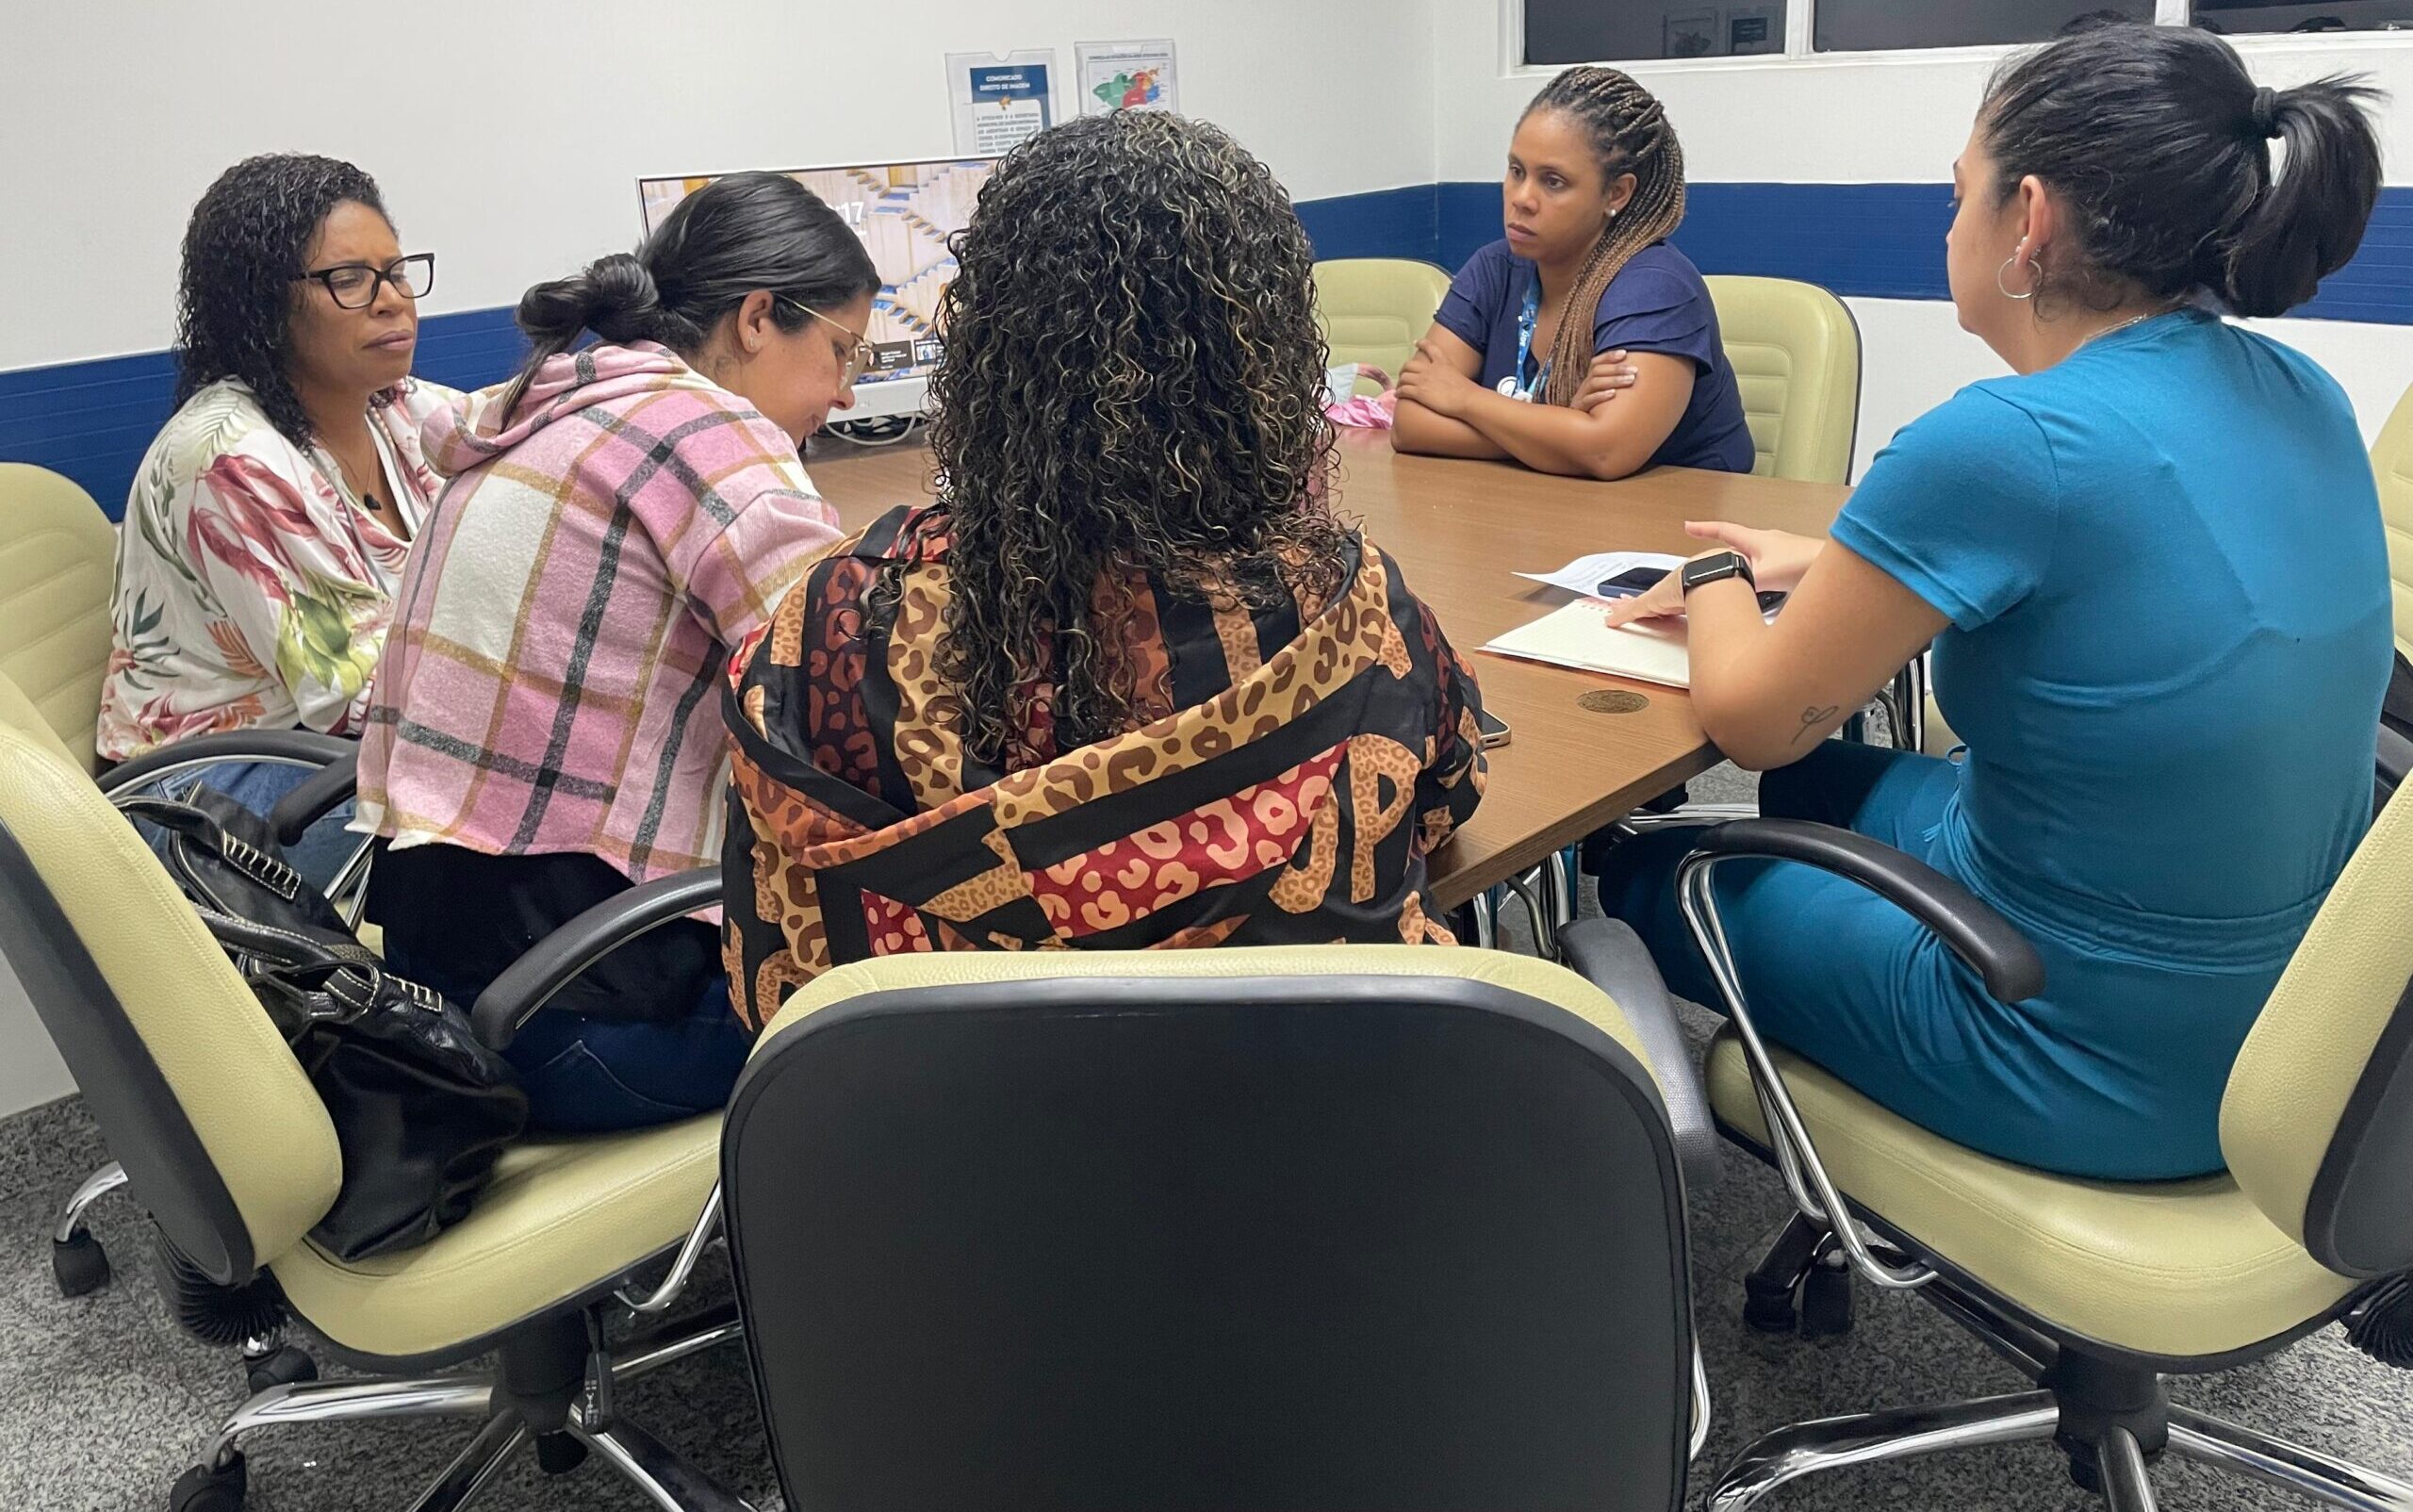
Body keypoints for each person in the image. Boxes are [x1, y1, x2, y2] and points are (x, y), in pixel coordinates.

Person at [1594, 23, 2388, 1180]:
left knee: (1631, 871)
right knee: (1817, 783)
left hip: (2087, 1048)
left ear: (2028, 221)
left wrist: (1714, 573)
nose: (1944, 223)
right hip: (2299, 1024)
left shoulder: (2005, 441)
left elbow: (1753, 717)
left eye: (1956, 194)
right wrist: (1828, 563)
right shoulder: (2297, 387)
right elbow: (2126, 560)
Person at [722, 113, 1489, 1032]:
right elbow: (1444, 797)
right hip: (1292, 1132)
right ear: (1265, 358)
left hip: (946, 1150)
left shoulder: (839, 620)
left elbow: (773, 940)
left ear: (987, 346)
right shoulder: (1347, 611)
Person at [352, 172, 876, 1130]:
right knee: (921, 993)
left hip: (445, 987)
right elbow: (857, 693)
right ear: (758, 317)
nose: (844, 393)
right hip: (583, 1020)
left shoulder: (545, 411)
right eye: (840, 350)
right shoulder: (708, 433)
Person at [99, 155, 451, 875]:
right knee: (538, 841)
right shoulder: (231, 456)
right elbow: (364, 696)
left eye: (397, 270)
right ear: (262, 302)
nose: (393, 300)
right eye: (349, 279)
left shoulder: (392, 406)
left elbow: (517, 430)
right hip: (211, 793)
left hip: (326, 746)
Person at [1391, 66, 1752, 481]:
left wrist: (1466, 400)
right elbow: (1410, 423)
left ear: (1616, 193)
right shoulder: (1494, 268)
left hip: (1679, 527)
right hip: (1542, 512)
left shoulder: (1656, 287)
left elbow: (1603, 452)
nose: (1522, 199)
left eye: (1554, 181)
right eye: (1516, 171)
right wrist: (1557, 426)